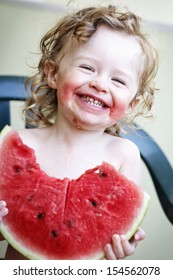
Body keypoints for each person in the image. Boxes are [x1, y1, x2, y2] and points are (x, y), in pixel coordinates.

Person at [0, 4, 158, 260]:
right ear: (52, 73)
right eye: (87, 68)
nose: (100, 84)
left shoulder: (124, 154)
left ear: (132, 104)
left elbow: (115, 231)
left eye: (118, 81)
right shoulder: (19, 142)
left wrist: (123, 247)